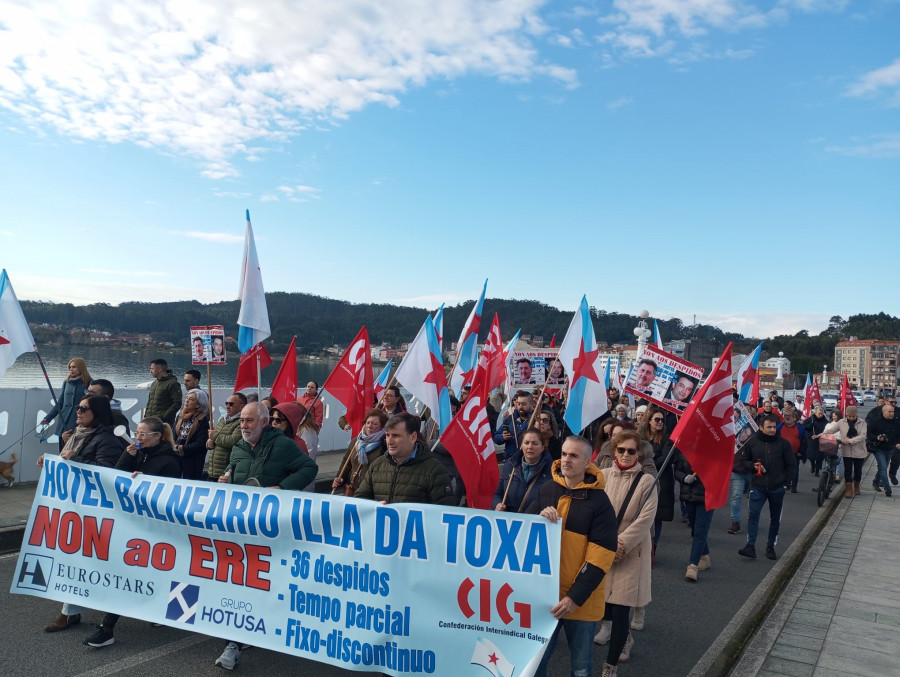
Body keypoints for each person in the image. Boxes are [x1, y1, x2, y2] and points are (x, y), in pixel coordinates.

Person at [214, 402, 319, 670]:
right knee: (240, 580)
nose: (244, 426)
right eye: (241, 421)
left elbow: (309, 468)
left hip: (270, 529)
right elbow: (232, 471)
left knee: (262, 580)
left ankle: (263, 625)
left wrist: (282, 488)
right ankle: (235, 641)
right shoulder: (238, 447)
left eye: (249, 421)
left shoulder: (282, 446)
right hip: (240, 527)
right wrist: (226, 477)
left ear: (263, 422)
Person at [84, 417, 181, 647]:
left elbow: (172, 491)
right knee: (130, 572)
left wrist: (148, 482)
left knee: (144, 572)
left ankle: (109, 626)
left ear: (158, 436)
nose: (138, 437)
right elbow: (117, 476)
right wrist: (127, 455)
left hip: (154, 527)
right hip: (133, 524)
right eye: (137, 433)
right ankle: (110, 627)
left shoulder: (170, 460)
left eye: (143, 434)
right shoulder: (138, 453)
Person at [528, 436, 618, 677]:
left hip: (580, 602)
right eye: (565, 454)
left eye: (574, 456)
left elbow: (600, 558)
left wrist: (573, 598)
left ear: (588, 461)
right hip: (545, 598)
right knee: (536, 663)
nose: (566, 460)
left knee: (580, 667)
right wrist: (537, 516)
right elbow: (521, 532)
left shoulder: (600, 503)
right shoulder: (546, 490)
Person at [40, 395, 125, 634]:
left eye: (83, 408)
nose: (78, 411)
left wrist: (73, 459)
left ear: (96, 412)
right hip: (74, 506)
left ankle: (71, 612)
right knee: (75, 558)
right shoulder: (78, 434)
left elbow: (107, 472)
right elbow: (71, 463)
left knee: (81, 558)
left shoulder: (107, 439)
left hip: (92, 511)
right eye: (78, 407)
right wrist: (53, 462)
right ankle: (72, 611)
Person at [593, 431, 657, 673]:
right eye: (622, 450)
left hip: (630, 552)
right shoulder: (602, 475)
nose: (627, 455)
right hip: (603, 548)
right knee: (605, 606)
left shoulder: (647, 481)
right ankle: (626, 638)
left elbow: (645, 520)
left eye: (632, 450)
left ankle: (609, 667)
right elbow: (594, 510)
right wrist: (606, 542)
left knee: (621, 609)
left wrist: (620, 544)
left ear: (638, 452)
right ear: (614, 451)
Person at [355, 412, 455, 505]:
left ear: (413, 437)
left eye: (395, 436)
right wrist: (374, 506)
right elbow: (360, 500)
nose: (389, 441)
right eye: (387, 435)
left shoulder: (434, 470)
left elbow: (444, 512)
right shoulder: (377, 465)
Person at [737, 414, 796, 560]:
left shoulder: (783, 444)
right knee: (753, 516)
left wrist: (786, 483)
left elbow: (791, 465)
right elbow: (744, 460)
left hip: (777, 487)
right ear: (761, 427)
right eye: (769, 427)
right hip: (757, 486)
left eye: (774, 427)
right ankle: (750, 547)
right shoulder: (752, 442)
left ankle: (770, 547)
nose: (772, 430)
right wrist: (753, 466)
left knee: (775, 519)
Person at [492, 428, 553, 513]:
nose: (530, 447)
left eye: (535, 444)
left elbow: (554, 501)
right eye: (526, 443)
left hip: (536, 521)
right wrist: (497, 505)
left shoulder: (552, 471)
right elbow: (498, 494)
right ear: (522, 446)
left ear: (542, 448)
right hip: (510, 521)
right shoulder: (510, 466)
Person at [674, 451, 713, 582]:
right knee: (696, 530)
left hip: (707, 497)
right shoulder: (685, 451)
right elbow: (677, 470)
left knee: (700, 531)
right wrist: (684, 477)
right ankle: (705, 556)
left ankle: (692, 566)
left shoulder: (714, 453)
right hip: (689, 496)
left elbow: (719, 474)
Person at [332, 409, 388, 495]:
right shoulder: (356, 441)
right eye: (368, 422)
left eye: (375, 424)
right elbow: (346, 462)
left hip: (372, 492)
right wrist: (340, 478)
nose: (369, 426)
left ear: (382, 427)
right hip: (353, 489)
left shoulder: (385, 444)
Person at [41, 357, 91, 450]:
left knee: (74, 450)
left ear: (81, 368)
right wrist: (48, 417)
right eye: (70, 367)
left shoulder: (89, 383)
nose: (71, 369)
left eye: (74, 367)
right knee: (62, 449)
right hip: (64, 421)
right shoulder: (67, 382)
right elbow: (60, 402)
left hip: (78, 422)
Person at [206, 392, 246, 481]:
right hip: (212, 469)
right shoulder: (222, 420)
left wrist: (215, 436)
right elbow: (214, 437)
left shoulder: (241, 422)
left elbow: (233, 441)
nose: (227, 406)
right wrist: (209, 443)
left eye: (231, 404)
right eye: (226, 403)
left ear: (241, 406)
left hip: (225, 472)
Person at [172, 388, 211, 480]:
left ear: (198, 404)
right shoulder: (181, 415)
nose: (187, 401)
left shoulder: (202, 419)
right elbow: (174, 434)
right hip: (177, 456)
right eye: (187, 398)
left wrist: (182, 448)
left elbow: (201, 443)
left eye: (191, 399)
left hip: (193, 459)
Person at [866, 403, 900, 497]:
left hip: (890, 448)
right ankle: (887, 487)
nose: (892, 413)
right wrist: (877, 437)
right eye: (889, 412)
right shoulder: (875, 421)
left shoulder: (896, 422)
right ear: (884, 412)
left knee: (882, 468)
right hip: (879, 448)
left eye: (892, 411)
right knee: (883, 467)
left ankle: (876, 481)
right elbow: (869, 434)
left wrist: (898, 443)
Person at [493, 391, 534, 459]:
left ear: (531, 404)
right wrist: (502, 437)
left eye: (524, 404)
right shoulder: (509, 419)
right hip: (511, 459)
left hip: (530, 459)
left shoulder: (536, 420)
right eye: (518, 404)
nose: (520, 407)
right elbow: (496, 438)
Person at [838, 407, 867, 498]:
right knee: (848, 470)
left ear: (856, 415)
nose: (851, 418)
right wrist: (821, 435)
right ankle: (848, 489)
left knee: (858, 470)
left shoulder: (862, 423)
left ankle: (856, 486)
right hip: (846, 450)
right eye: (849, 416)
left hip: (859, 450)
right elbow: (832, 429)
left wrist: (850, 441)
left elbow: (862, 436)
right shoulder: (842, 422)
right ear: (846, 414)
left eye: (853, 416)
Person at [145, 359, 181, 430]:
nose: (150, 371)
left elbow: (177, 403)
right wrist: (146, 415)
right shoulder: (154, 383)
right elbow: (150, 401)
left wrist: (163, 417)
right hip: (150, 421)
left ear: (159, 369)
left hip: (163, 423)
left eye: (152, 369)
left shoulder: (173, 384)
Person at [778, 411, 807, 493]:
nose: (787, 417)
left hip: (795, 453)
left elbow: (804, 441)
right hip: (781, 453)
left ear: (794, 418)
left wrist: (801, 451)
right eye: (785, 415)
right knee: (782, 469)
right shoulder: (779, 427)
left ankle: (794, 486)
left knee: (794, 470)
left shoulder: (800, 428)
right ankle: (785, 484)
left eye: (789, 415)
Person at [803, 405, 829, 477]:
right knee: (811, 456)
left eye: (822, 413)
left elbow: (828, 429)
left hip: (820, 440)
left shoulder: (825, 421)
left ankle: (817, 471)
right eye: (819, 413)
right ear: (815, 413)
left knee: (819, 457)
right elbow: (804, 427)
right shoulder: (810, 419)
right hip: (811, 440)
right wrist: (810, 426)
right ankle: (813, 465)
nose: (820, 415)